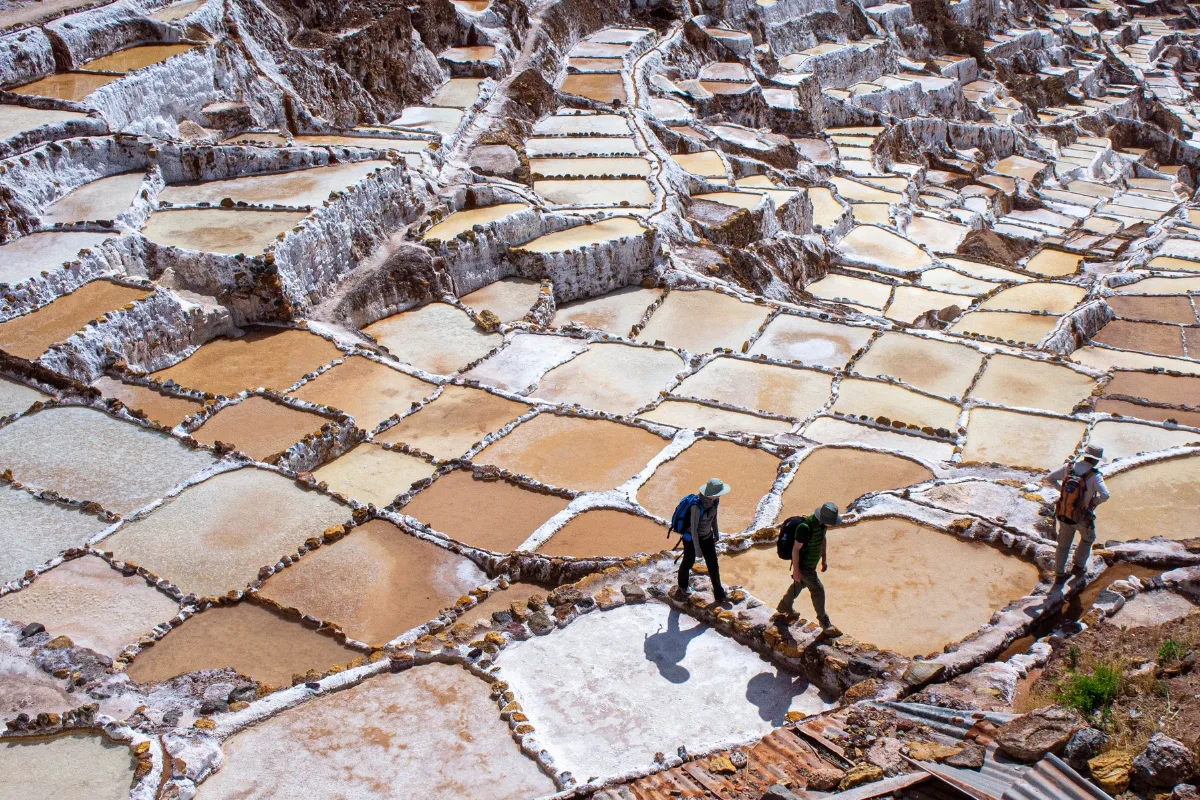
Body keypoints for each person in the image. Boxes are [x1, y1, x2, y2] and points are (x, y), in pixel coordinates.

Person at [775, 501, 842, 638]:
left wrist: (824, 559)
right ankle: (825, 623)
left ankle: (784, 606)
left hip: (811, 564)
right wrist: (796, 571)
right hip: (804, 566)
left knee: (799, 584)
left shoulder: (822, 526)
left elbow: (822, 540)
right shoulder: (805, 528)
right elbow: (795, 549)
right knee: (818, 590)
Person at [1045, 444, 1110, 584]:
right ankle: (1079, 565)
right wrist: (1094, 502)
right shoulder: (1095, 475)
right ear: (1095, 460)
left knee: (1063, 545)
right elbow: (1105, 495)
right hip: (1082, 516)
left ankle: (1059, 572)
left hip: (1065, 512)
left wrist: (1061, 489)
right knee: (1088, 538)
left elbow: (1050, 477)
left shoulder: (1069, 467)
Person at [675, 478, 729, 603]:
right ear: (713, 494)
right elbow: (693, 530)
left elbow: (714, 519)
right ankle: (682, 586)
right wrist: (698, 549)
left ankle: (719, 593)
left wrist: (716, 534)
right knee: (688, 562)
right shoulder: (696, 507)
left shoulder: (714, 502)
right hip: (693, 540)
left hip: (708, 537)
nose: (721, 495)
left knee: (713, 565)